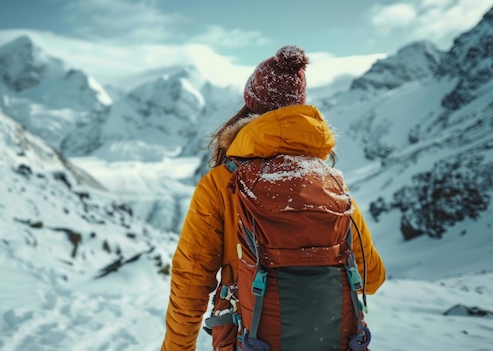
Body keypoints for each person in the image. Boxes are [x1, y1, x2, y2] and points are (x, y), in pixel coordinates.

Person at [161, 45, 386, 351]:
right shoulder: (329, 181)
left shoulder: (221, 183)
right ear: (299, 105)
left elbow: (191, 280)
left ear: (249, 104)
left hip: (249, 340)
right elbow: (371, 277)